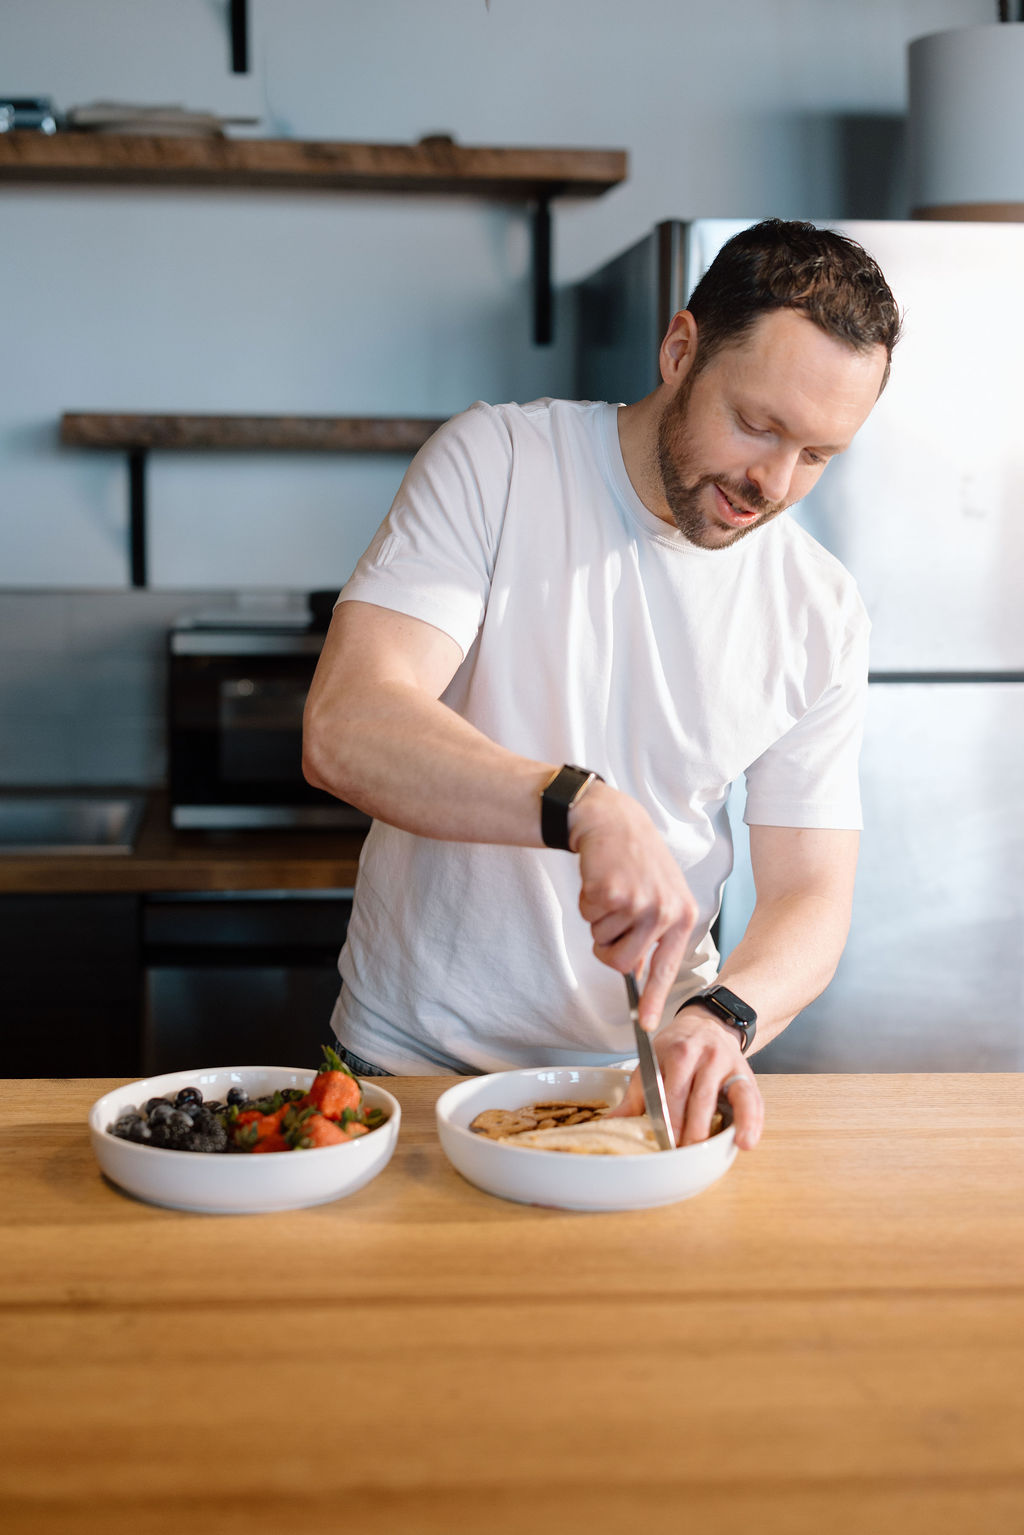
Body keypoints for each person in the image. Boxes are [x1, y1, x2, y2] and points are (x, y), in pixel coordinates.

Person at [302, 218, 901, 1154]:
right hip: (408, 1067)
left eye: (819, 455)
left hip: (638, 1086)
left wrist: (725, 1017)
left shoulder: (819, 606)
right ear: (679, 349)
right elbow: (348, 724)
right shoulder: (498, 464)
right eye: (758, 424)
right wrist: (579, 804)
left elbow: (812, 892)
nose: (774, 483)